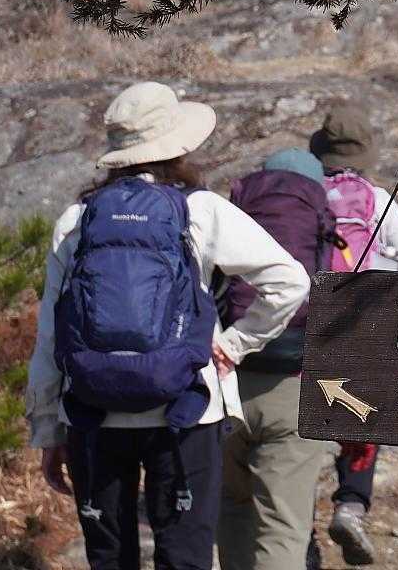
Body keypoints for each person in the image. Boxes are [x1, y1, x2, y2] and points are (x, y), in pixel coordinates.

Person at [26, 82, 310, 570]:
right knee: (185, 559)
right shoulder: (202, 210)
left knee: (110, 559)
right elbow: (291, 281)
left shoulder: (77, 219)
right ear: (178, 147)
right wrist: (236, 344)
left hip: (91, 412)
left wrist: (48, 427)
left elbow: (51, 332)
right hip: (187, 409)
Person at [308, 103, 398, 567]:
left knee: (304, 428)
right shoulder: (377, 199)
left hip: (308, 326)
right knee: (360, 415)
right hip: (363, 328)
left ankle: (299, 523)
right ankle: (351, 505)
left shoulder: (306, 195)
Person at [218, 148, 339, 570]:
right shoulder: (323, 220)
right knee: (282, 525)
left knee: (232, 507)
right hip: (294, 387)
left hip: (227, 380)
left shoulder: (235, 212)